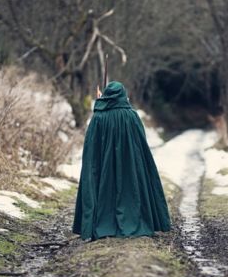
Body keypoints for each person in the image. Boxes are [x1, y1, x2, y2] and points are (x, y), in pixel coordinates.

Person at [72, 81, 171, 241]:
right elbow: (140, 143)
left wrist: (100, 104)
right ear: (123, 95)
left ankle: (103, 223)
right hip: (129, 165)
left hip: (105, 167)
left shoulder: (98, 117)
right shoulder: (131, 115)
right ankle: (134, 220)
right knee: (130, 187)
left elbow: (91, 147)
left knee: (106, 187)